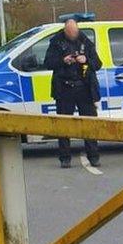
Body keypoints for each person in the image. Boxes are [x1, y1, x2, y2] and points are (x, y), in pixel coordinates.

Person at [44, 18, 102, 168]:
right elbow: (48, 63)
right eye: (70, 33)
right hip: (64, 88)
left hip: (84, 88)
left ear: (77, 30)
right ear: (65, 30)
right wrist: (63, 60)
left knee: (90, 124)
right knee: (64, 125)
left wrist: (86, 60)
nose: (73, 35)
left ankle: (94, 156)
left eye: (75, 32)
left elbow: (98, 64)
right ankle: (65, 158)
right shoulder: (56, 42)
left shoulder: (85, 41)